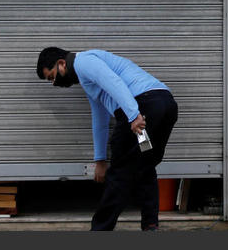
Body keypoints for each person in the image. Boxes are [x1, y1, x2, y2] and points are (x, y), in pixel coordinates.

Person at [36, 47, 178, 231]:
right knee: (145, 165)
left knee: (119, 173)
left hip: (143, 108)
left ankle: (100, 229)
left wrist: (133, 115)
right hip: (163, 106)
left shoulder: (83, 62)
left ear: (62, 63)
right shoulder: (88, 81)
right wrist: (100, 159)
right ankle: (150, 225)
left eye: (52, 76)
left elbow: (113, 81)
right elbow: (100, 118)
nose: (54, 82)